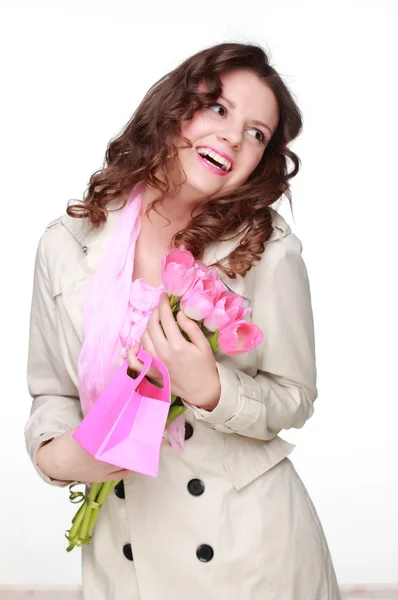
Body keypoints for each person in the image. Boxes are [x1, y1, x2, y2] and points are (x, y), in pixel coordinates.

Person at [24, 42, 341, 600]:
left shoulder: (267, 249)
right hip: (123, 550)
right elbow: (52, 390)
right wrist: (56, 454)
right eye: (218, 108)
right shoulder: (67, 244)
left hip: (249, 554)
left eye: (256, 133)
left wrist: (212, 388)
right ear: (173, 110)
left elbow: (295, 395)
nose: (232, 136)